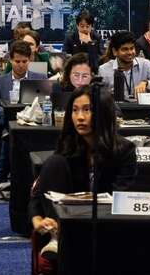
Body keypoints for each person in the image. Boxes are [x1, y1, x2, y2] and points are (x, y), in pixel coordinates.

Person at [29, 84, 138, 264]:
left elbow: (121, 196)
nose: (80, 117)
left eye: (87, 110)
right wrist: (38, 219)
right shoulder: (67, 147)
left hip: (104, 224)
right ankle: (56, 238)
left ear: (103, 113)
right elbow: (37, 195)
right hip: (66, 225)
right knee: (54, 163)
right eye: (75, 110)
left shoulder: (124, 150)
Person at [0, 41, 48, 196]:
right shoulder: (0, 81)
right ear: (10, 61)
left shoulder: (40, 78)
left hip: (31, 120)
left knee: (9, 132)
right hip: (5, 117)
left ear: (30, 60)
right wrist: (5, 112)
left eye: (24, 62)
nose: (20, 65)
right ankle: (8, 124)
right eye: (17, 61)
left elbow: (46, 103)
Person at [97, 30, 150, 99]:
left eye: (132, 48)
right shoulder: (104, 70)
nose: (130, 52)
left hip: (141, 108)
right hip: (117, 108)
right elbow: (100, 97)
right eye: (125, 49)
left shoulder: (145, 64)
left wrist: (147, 83)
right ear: (115, 51)